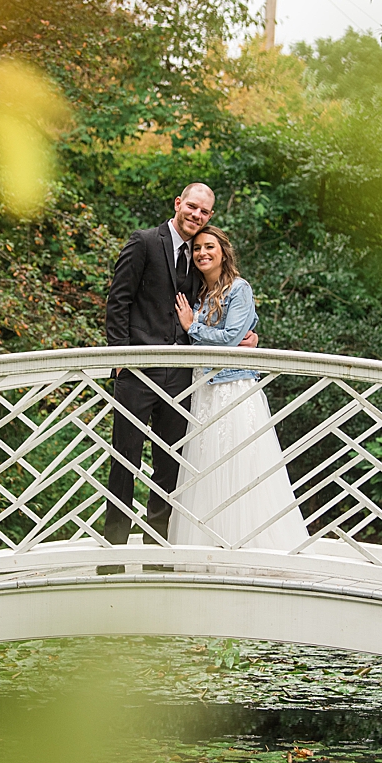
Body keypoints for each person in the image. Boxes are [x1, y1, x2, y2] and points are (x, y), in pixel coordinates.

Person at [103, 183, 257, 551]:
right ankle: (114, 551)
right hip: (137, 374)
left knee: (168, 466)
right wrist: (120, 359)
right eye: (192, 207)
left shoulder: (200, 258)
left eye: (204, 212)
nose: (196, 215)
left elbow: (220, 309)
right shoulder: (143, 242)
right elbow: (118, 301)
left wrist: (248, 337)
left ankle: (156, 548)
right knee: (125, 462)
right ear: (178, 204)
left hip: (182, 379)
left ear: (210, 217)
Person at [170, 227, 310, 551]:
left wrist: (193, 327)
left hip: (233, 387)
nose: (202, 253)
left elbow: (233, 337)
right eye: (197, 249)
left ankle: (249, 543)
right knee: (206, 461)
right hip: (205, 389)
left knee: (242, 459)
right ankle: (209, 542)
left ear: (224, 252)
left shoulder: (239, 288)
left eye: (210, 247)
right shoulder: (201, 294)